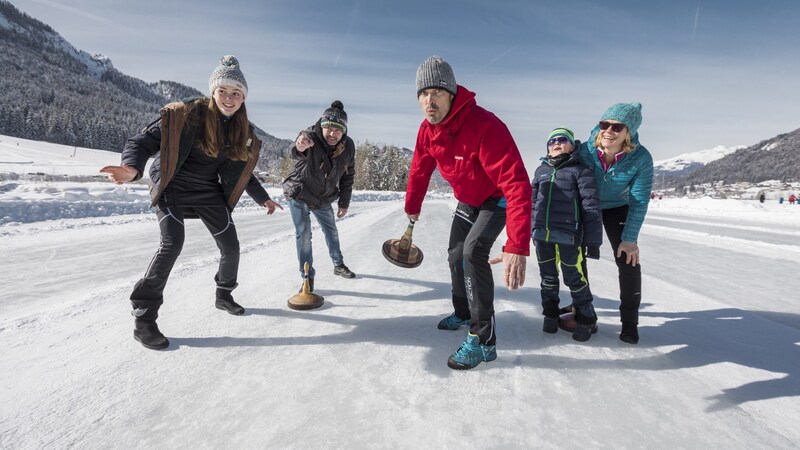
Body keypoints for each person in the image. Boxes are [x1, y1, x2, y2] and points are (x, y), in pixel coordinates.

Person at [100, 55, 282, 350]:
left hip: (208, 191)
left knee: (231, 246)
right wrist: (131, 168)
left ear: (244, 98)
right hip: (173, 184)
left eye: (237, 93)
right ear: (213, 91)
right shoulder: (186, 114)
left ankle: (223, 294)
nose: (229, 97)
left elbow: (244, 173)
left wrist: (264, 199)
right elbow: (142, 141)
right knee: (173, 243)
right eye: (223, 90)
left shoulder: (241, 131)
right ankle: (144, 317)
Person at [405, 56, 531, 370]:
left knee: (473, 252)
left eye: (436, 91)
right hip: (469, 200)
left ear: (451, 93)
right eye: (423, 93)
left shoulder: (484, 125)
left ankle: (484, 340)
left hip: (496, 198)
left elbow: (516, 183)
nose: (429, 99)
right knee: (454, 253)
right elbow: (420, 171)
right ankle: (463, 312)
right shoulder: (427, 131)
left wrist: (516, 245)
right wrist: (412, 209)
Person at [577, 102, 653, 344]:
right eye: (604, 124)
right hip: (584, 206)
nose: (608, 131)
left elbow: (639, 200)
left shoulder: (640, 158)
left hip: (616, 207)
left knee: (628, 260)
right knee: (575, 257)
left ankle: (629, 322)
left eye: (617, 126)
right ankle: (584, 312)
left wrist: (630, 239)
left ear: (628, 132)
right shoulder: (584, 151)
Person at [531, 128, 603, 342]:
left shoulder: (580, 170)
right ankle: (550, 316)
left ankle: (586, 319)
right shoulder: (540, 171)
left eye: (562, 140)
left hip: (569, 236)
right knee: (548, 278)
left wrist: (593, 241)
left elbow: (591, 206)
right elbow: (533, 204)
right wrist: (530, 230)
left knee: (575, 278)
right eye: (551, 141)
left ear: (573, 145)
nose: (556, 143)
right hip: (542, 236)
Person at [282, 101, 356, 292]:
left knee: (331, 231)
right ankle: (307, 277)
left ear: (344, 131)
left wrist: (344, 202)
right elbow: (294, 150)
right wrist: (299, 145)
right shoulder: (310, 137)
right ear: (322, 126)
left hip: (323, 196)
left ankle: (338, 265)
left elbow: (348, 176)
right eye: (329, 128)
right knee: (304, 234)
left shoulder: (348, 146)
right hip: (300, 192)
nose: (332, 134)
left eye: (338, 130)